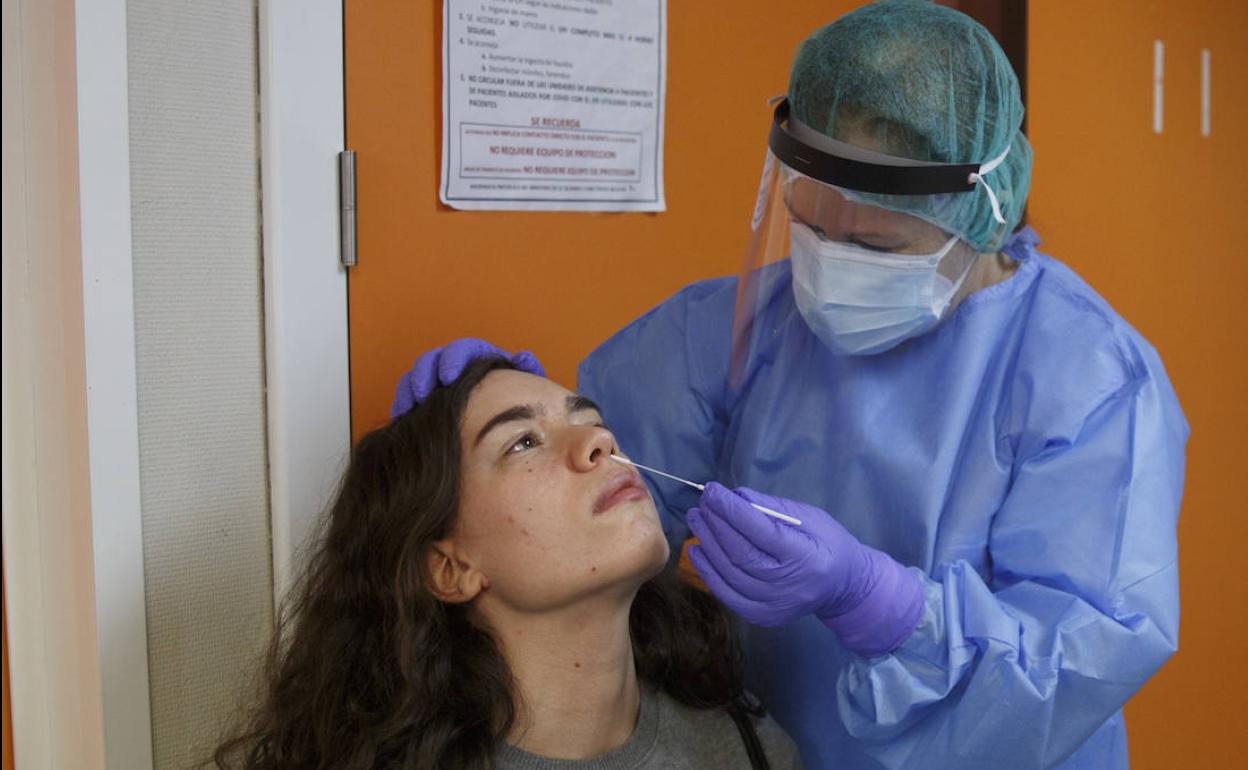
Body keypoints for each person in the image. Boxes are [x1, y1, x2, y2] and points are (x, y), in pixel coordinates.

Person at [395, 2, 1188, 768]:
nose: (831, 265)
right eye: (812, 229)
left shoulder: (1090, 383)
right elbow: (603, 483)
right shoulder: (732, 329)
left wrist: (879, 602)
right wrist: (505, 405)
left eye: (874, 242)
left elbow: (1078, 657)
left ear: (980, 213)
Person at [212, 357, 802, 770]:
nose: (600, 443)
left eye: (589, 418)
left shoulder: (750, 748)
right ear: (449, 568)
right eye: (523, 441)